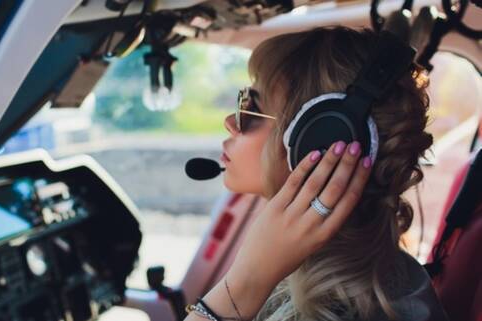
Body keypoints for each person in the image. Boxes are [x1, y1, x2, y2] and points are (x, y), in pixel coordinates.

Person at [184, 27, 448, 321]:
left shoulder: (349, 313)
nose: (230, 121)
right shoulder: (363, 280)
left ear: (321, 140)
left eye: (252, 106)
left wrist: (243, 284)